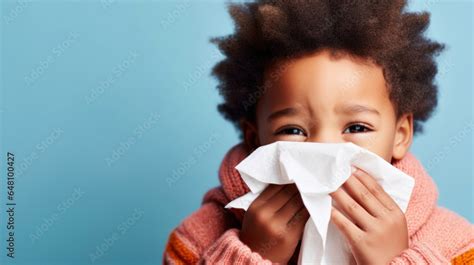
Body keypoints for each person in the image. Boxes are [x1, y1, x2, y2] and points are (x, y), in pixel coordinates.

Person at [163, 0, 473, 264]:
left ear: (400, 134)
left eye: (356, 127)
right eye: (294, 129)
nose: (325, 148)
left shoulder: (455, 244)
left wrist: (398, 259)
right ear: (255, 138)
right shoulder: (198, 238)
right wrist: (250, 253)